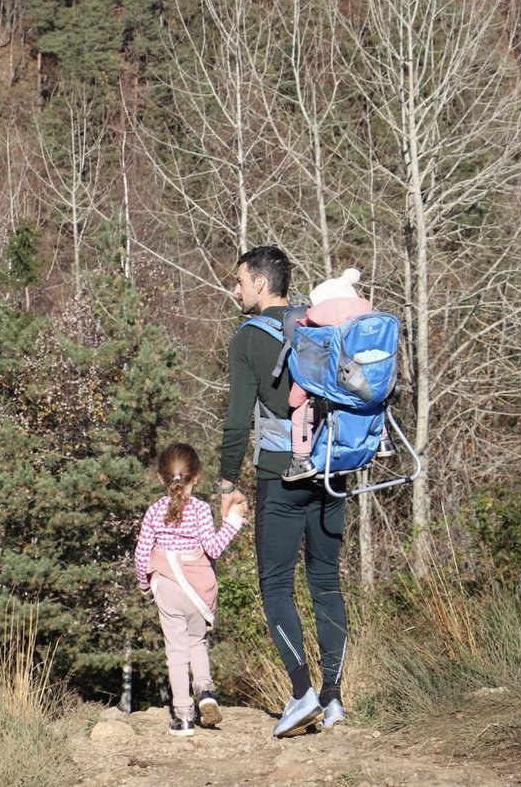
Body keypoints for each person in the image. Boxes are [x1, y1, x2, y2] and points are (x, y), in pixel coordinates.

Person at [213, 245, 348, 739]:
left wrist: (227, 482)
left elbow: (235, 423)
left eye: (240, 281)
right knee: (327, 584)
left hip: (280, 476)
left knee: (275, 586)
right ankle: (333, 700)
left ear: (262, 284)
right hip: (333, 472)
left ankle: (301, 693)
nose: (236, 290)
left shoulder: (248, 338)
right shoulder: (319, 328)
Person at [134, 442, 248, 737]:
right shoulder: (200, 510)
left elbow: (142, 553)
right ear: (196, 477)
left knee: (176, 650)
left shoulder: (154, 511)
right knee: (197, 641)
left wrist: (144, 584)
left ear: (161, 478)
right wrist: (234, 520)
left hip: (168, 586)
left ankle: (184, 716)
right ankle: (206, 690)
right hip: (198, 588)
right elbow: (212, 548)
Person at [283, 267, 376, 483]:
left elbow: (307, 377)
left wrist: (294, 399)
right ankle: (382, 440)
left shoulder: (323, 341)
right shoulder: (367, 335)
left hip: (335, 401)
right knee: (377, 404)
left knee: (300, 415)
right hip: (369, 396)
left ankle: (300, 460)